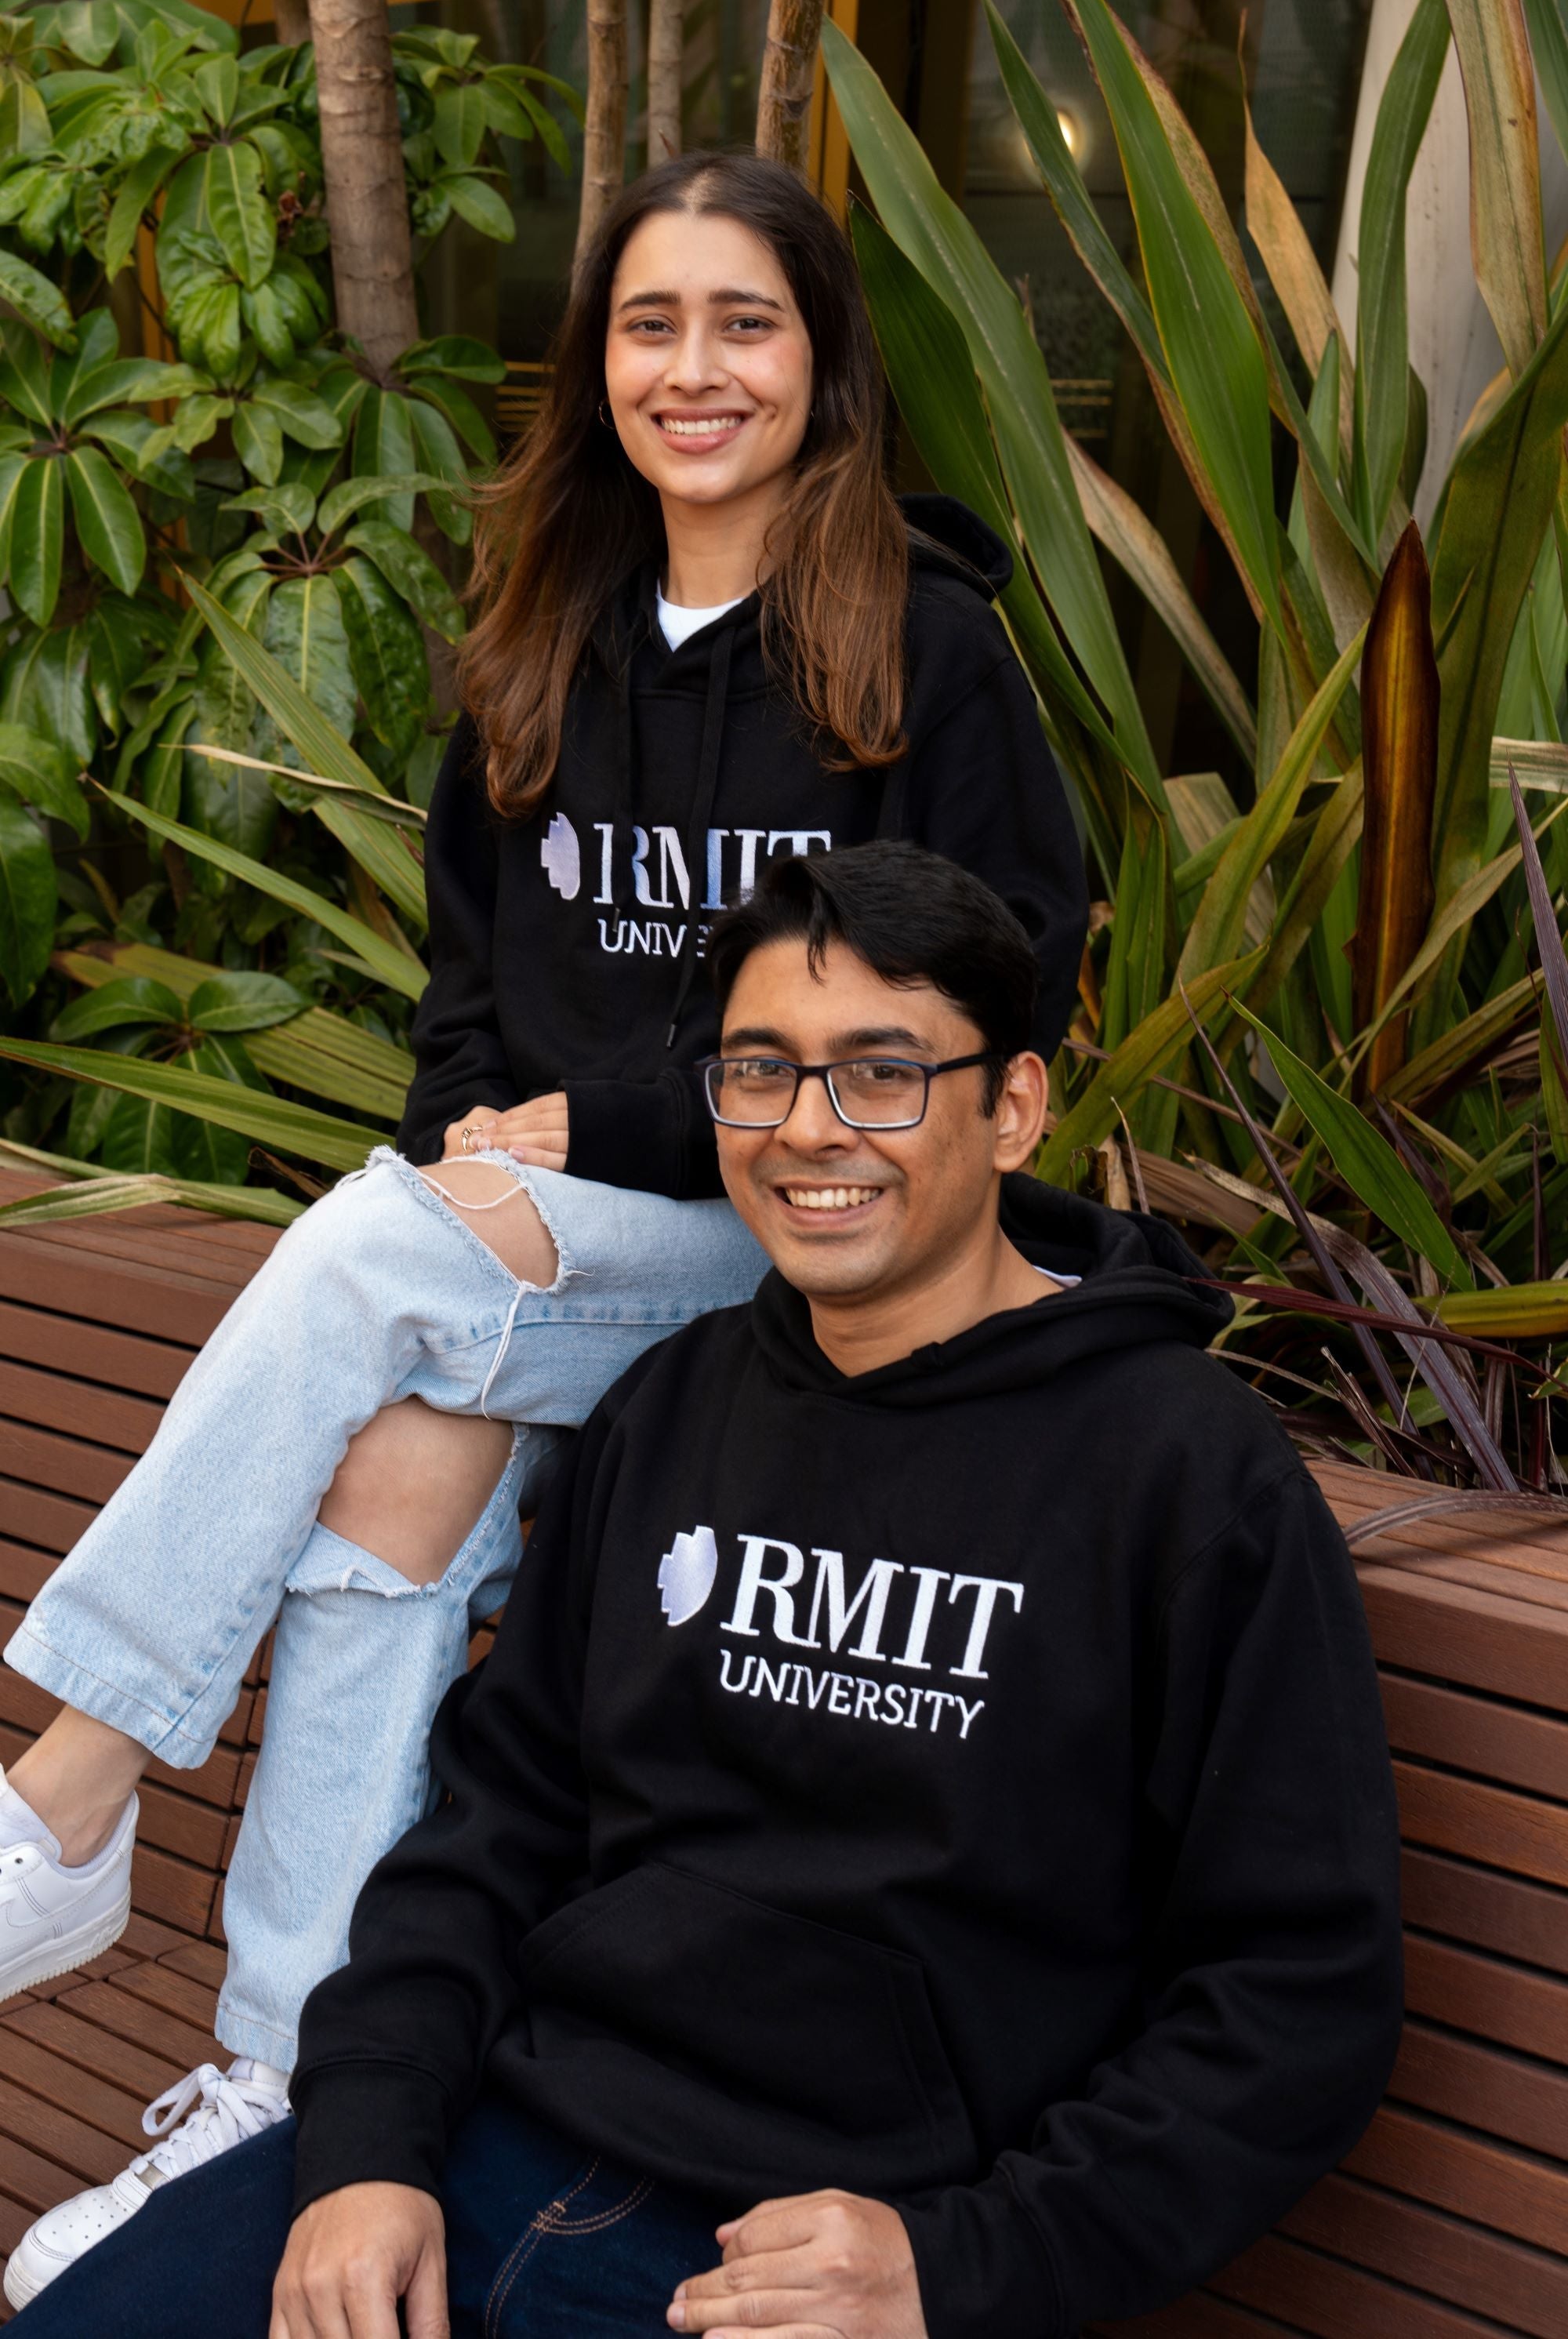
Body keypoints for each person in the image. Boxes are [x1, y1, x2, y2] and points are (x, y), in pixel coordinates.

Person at [0, 151, 1089, 2308]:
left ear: (824, 362)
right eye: (650, 326)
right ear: (597, 370)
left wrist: (584, 1125)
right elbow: (464, 1000)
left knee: (390, 1259)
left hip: (816, 1246)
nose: (696, 370)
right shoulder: (545, 638)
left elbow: (998, 978)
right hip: (577, 1266)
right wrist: (488, 1137)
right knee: (406, 1451)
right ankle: (275, 2074)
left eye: (745, 323)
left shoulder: (926, 648)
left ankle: (76, 1775)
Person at [13, 843, 1406, 2339]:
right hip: (490, 2141)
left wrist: (966, 2264)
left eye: (882, 1074)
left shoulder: (1182, 1473)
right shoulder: (674, 1406)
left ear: (1013, 1107)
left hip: (823, 2263)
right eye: (760, 1072)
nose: (811, 1132)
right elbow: (494, 1824)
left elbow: (1297, 1988)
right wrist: (365, 2143)